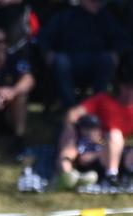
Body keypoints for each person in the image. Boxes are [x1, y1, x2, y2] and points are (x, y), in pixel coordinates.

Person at [57, 55, 133, 186]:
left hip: (112, 150)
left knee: (115, 137)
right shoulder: (103, 100)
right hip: (93, 144)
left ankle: (118, 174)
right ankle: (67, 176)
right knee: (72, 144)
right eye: (127, 87)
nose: (130, 92)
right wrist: (74, 131)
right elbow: (72, 114)